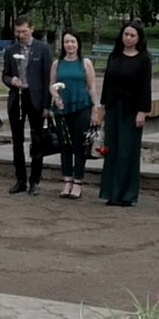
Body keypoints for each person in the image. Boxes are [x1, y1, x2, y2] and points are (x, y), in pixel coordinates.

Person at [96, 21, 153, 207]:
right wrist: (102, 108)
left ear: (138, 38)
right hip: (113, 108)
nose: (128, 38)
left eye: (132, 35)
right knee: (111, 150)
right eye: (126, 34)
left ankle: (126, 195)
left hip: (132, 111)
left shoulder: (144, 59)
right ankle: (111, 193)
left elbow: (145, 87)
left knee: (127, 151)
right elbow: (107, 83)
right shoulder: (115, 56)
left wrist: (142, 111)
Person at [1, 16, 53, 195]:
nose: (21, 35)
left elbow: (48, 78)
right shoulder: (10, 50)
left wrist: (47, 105)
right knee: (17, 139)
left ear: (32, 29)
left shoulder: (43, 49)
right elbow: (5, 75)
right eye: (18, 32)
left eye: (24, 31)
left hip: (36, 98)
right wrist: (11, 80)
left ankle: (35, 180)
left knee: (37, 139)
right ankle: (20, 179)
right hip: (18, 97)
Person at [50, 29, 101, 199]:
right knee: (65, 145)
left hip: (82, 107)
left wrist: (95, 109)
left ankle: (78, 182)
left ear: (78, 44)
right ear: (62, 44)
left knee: (80, 145)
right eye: (66, 42)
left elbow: (92, 87)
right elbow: (52, 85)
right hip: (62, 109)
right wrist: (56, 97)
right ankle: (67, 181)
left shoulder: (85, 63)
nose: (69, 45)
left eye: (72, 41)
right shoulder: (57, 64)